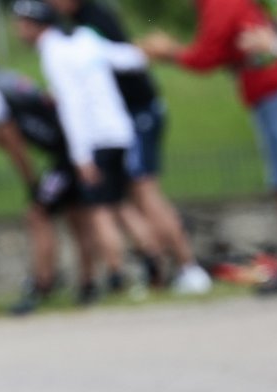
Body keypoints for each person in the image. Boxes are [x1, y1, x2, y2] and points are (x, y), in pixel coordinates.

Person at [141, 0, 277, 294]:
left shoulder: (220, 3)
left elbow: (207, 55)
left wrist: (169, 52)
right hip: (274, 87)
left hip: (274, 88)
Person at [46, 0, 213, 295]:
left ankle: (188, 266)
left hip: (137, 115)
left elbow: (122, 56)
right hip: (126, 120)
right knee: (131, 198)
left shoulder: (91, 20)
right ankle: (163, 270)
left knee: (146, 192)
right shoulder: (81, 25)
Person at [12, 1, 150, 301]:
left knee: (99, 210)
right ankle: (154, 265)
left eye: (21, 22)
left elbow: (72, 107)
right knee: (122, 203)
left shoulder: (53, 53)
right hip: (120, 131)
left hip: (95, 137)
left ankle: (116, 275)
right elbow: (131, 59)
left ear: (36, 25)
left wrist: (81, 156)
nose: (17, 29)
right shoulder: (86, 39)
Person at [0, 40, 84, 311]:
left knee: (38, 214)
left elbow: (13, 140)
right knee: (77, 216)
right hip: (72, 149)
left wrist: (31, 182)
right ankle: (88, 283)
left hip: (67, 155)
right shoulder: (2, 79)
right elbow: (10, 134)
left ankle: (43, 285)